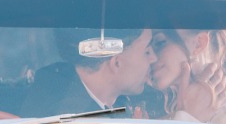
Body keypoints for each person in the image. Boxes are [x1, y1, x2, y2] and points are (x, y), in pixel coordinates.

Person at [24, 28, 156, 117]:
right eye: (147, 52)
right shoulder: (68, 116)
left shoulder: (62, 90)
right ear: (117, 63)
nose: (154, 58)